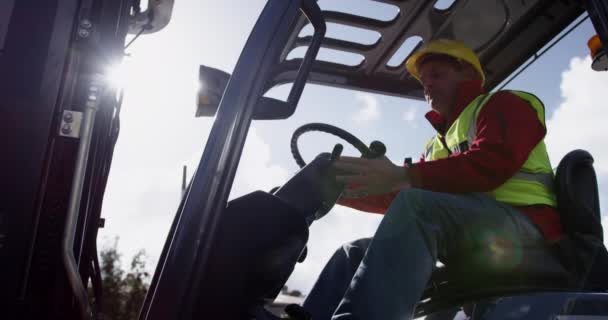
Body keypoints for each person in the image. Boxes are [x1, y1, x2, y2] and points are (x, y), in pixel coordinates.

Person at [301, 39, 563, 320]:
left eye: (437, 75)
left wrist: (401, 175)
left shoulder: (505, 105)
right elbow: (398, 193)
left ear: (468, 75)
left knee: (417, 206)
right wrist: (333, 192)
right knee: (354, 252)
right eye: (423, 81)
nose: (427, 85)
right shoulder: (436, 145)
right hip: (475, 231)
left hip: (526, 226)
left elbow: (492, 162)